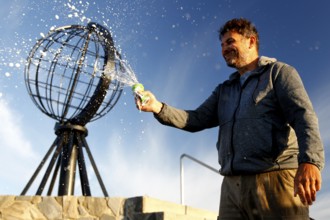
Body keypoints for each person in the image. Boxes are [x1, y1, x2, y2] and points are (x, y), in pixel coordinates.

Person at [134, 18, 325, 220]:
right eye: (222, 45)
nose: (224, 49)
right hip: (231, 188)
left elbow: (303, 115)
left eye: (230, 42)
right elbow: (195, 119)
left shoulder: (278, 73)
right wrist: (157, 107)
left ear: (251, 41)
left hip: (275, 180)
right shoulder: (224, 90)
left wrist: (310, 162)